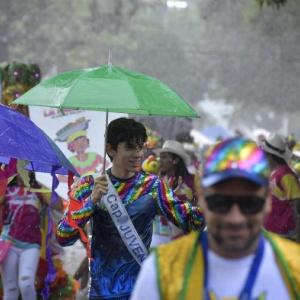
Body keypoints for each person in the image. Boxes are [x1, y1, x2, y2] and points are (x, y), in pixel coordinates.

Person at [131, 137, 300, 300]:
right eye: (220, 203)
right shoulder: (162, 270)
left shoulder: (294, 269)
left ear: (267, 202)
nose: (235, 218)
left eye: (250, 203)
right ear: (202, 200)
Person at [56, 117, 204, 300]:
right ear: (110, 149)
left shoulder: (153, 186)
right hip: (100, 293)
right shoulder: (89, 185)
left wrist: (203, 196)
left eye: (141, 146)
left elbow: (195, 224)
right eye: (130, 147)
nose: (138, 154)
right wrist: (91, 202)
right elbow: (63, 236)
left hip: (139, 291)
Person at [0, 171, 43, 300]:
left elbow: (56, 205)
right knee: (10, 288)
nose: (23, 169)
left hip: (31, 245)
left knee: (26, 283)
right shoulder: (6, 189)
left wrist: (40, 186)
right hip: (9, 243)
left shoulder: (39, 190)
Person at [151, 140, 202, 246]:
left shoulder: (193, 181)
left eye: (164, 157)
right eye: (160, 157)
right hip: (156, 238)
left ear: (175, 160)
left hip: (180, 242)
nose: (160, 160)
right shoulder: (157, 179)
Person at [260, 133, 300, 242]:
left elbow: (297, 204)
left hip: (285, 234)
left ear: (271, 156)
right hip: (272, 232)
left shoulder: (286, 175)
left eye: (265, 153)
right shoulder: (274, 173)